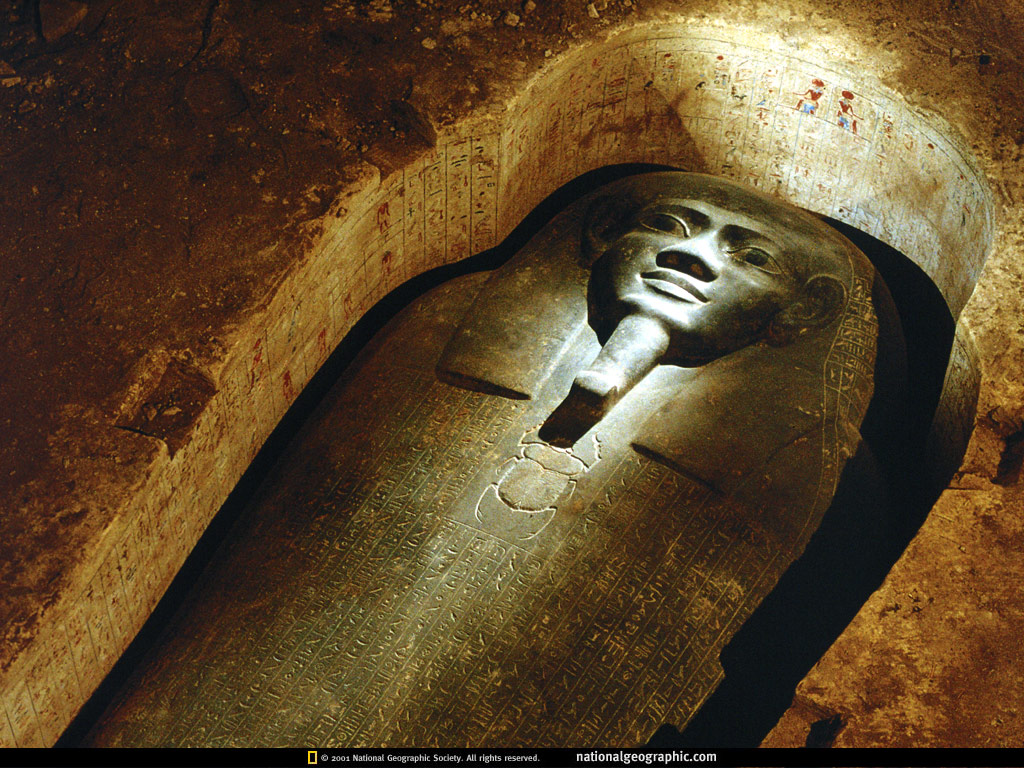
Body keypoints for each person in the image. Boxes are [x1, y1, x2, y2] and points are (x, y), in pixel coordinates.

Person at [89, 173, 902, 747]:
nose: (696, 259)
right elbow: (280, 546)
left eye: (752, 258)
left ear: (803, 314)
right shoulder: (438, 325)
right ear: (603, 236)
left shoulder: (815, 473)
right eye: (670, 226)